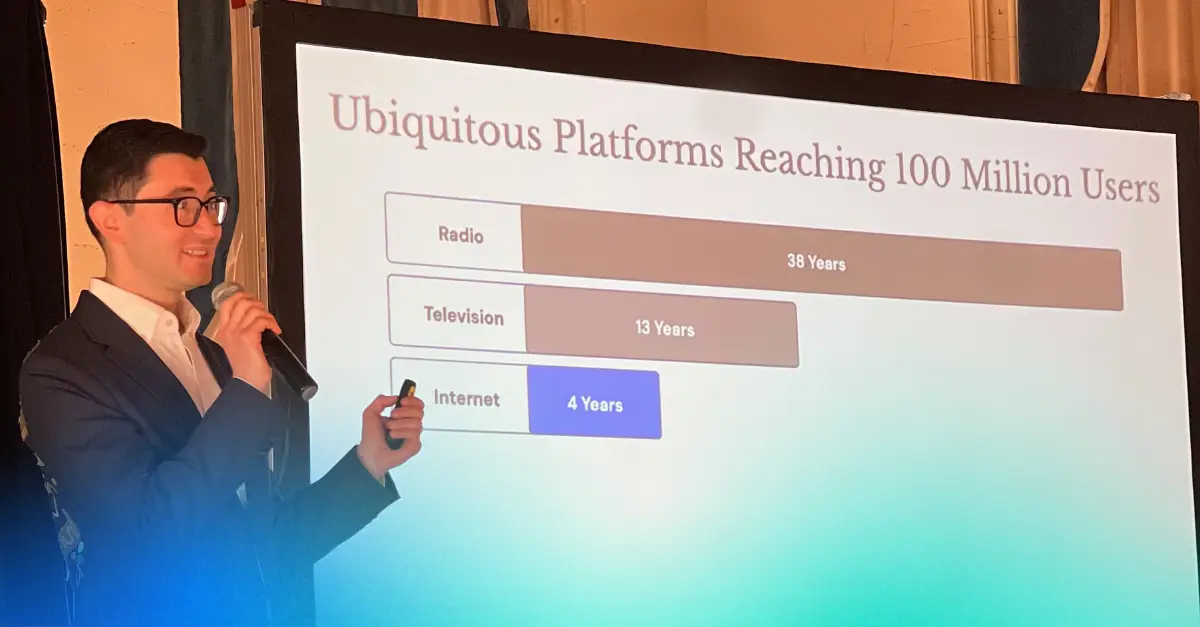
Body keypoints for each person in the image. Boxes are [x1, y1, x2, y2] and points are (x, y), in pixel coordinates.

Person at [18, 118, 424, 627]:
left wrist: (369, 463)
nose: (210, 227)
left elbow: (265, 544)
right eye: (182, 206)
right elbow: (148, 535)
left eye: (212, 204)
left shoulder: (210, 354)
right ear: (110, 220)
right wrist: (248, 387)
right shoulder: (63, 369)